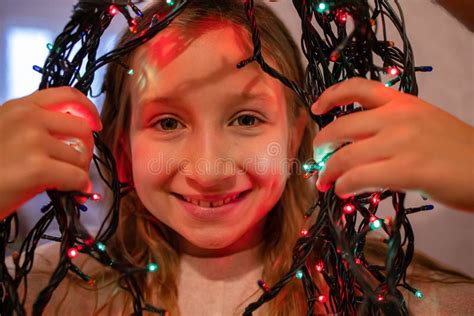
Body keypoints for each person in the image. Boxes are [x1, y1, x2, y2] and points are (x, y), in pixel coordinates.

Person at [1, 1, 473, 315]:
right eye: (167, 123)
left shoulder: (394, 294)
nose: (210, 170)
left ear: (297, 139)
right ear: (121, 151)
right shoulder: (49, 289)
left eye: (246, 120)